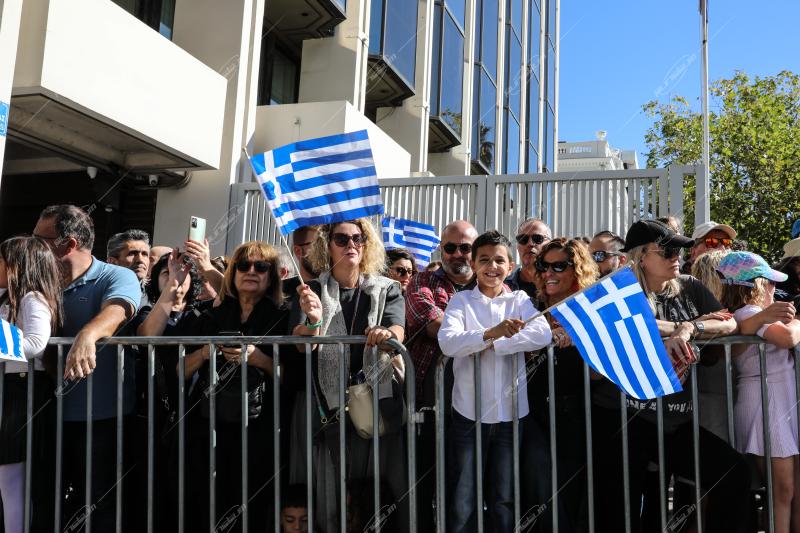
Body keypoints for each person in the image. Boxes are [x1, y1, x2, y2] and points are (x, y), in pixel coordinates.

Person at [591, 219, 750, 533]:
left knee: (732, 472)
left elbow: (729, 324)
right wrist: (676, 328)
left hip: (676, 423)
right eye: (667, 250)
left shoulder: (689, 286)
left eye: (679, 248)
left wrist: (692, 327)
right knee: (622, 513)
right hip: (625, 421)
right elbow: (628, 326)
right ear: (640, 256)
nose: (676, 255)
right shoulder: (618, 291)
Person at [290, 218, 406, 533]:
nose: (351, 245)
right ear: (327, 246)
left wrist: (387, 333)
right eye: (341, 239)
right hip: (325, 406)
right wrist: (314, 321)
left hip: (374, 402)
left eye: (358, 238)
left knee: (372, 487)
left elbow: (398, 330)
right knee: (329, 488)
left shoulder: (388, 288)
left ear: (366, 244)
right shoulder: (311, 289)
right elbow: (300, 342)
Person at [33, 205, 141, 532]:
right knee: (43, 500)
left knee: (97, 505)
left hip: (101, 418)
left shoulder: (115, 274)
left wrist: (88, 334)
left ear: (68, 244)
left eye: (41, 239)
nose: (33, 245)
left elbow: (120, 309)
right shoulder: (37, 279)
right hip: (44, 414)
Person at [438, 230, 552, 532]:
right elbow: (448, 343)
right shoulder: (460, 301)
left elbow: (542, 334)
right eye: (485, 259)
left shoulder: (519, 299)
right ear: (474, 264)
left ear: (511, 265)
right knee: (463, 498)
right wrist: (490, 334)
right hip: (469, 415)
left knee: (504, 497)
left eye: (499, 260)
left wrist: (499, 343)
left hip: (510, 416)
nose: (492, 266)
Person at [183, 241, 289, 532]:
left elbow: (293, 377)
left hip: (261, 428)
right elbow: (178, 369)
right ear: (232, 272)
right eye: (243, 265)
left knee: (253, 504)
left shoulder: (283, 316)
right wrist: (206, 351)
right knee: (209, 501)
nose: (251, 271)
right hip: (210, 426)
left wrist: (259, 359)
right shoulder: (211, 314)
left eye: (261, 266)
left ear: (272, 276)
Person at [718, 252, 800, 533]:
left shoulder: (755, 313)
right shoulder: (750, 312)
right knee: (782, 489)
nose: (774, 289)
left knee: (789, 489)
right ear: (754, 285)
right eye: (770, 283)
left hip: (779, 397)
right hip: (768, 399)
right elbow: (787, 338)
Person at [404, 220, 477, 532]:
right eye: (450, 247)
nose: (458, 254)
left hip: (479, 407)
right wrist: (484, 333)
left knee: (468, 491)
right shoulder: (422, 281)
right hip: (431, 406)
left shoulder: (491, 286)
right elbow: (436, 329)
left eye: (466, 247)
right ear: (441, 251)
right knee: (423, 488)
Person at [529, 238, 599, 532]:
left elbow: (599, 373)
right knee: (540, 495)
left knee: (570, 497)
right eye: (544, 266)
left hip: (577, 415)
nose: (549, 273)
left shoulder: (591, 311)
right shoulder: (529, 308)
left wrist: (579, 337)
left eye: (559, 266)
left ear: (577, 269)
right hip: (533, 414)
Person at [133, 251, 205, 531]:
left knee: (187, 496)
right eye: (167, 272)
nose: (176, 276)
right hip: (151, 417)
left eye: (184, 272)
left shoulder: (201, 317)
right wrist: (172, 286)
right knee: (150, 494)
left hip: (193, 416)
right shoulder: (145, 312)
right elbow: (148, 334)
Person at [0, 236, 62, 533]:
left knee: (12, 479)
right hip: (11, 389)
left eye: (3, 261)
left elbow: (37, 343)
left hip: (23, 390)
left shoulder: (32, 297)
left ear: (19, 267)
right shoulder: (8, 298)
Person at [505, 217, 552, 296]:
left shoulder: (558, 284)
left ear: (550, 244)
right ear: (517, 246)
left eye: (537, 238)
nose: (530, 244)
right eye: (523, 239)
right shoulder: (503, 287)